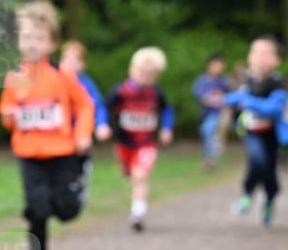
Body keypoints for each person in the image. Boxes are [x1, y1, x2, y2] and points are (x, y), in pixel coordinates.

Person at [0, 1, 93, 250]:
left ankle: (77, 188)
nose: (32, 44)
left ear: (52, 43)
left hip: (62, 153)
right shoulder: (14, 78)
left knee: (66, 211)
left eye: (39, 38)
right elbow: (5, 113)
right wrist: (9, 115)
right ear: (17, 41)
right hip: (29, 154)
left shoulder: (63, 76)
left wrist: (82, 135)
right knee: (36, 211)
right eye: (26, 37)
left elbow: (85, 106)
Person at [106, 47, 175, 232]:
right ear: (132, 69)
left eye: (150, 73)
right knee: (131, 174)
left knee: (141, 175)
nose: (145, 76)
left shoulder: (156, 93)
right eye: (141, 71)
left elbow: (168, 110)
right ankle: (137, 202)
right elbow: (104, 109)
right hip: (125, 143)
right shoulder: (121, 91)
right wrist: (102, 125)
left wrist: (167, 128)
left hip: (146, 143)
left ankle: (138, 213)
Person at [226, 35, 288, 226]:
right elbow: (232, 98)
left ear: (276, 60)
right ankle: (247, 194)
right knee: (257, 159)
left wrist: (248, 102)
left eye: (266, 53)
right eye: (256, 52)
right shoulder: (244, 81)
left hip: (272, 135)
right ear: (250, 57)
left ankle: (270, 199)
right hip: (251, 132)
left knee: (268, 168)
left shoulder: (277, 83)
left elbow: (272, 108)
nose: (261, 57)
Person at [60, 40, 111, 205]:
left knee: (80, 161)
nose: (69, 64)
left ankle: (82, 180)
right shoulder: (55, 82)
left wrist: (101, 124)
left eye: (74, 61)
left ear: (83, 64)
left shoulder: (86, 84)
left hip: (81, 132)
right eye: (66, 59)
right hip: (61, 133)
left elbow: (97, 106)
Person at [191, 53, 230, 171]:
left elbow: (232, 93)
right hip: (208, 114)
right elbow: (197, 94)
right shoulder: (202, 81)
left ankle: (216, 149)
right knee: (207, 131)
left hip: (222, 113)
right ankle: (210, 158)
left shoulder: (224, 81)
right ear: (209, 66)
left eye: (220, 66)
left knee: (209, 130)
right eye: (216, 65)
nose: (218, 68)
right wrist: (206, 99)